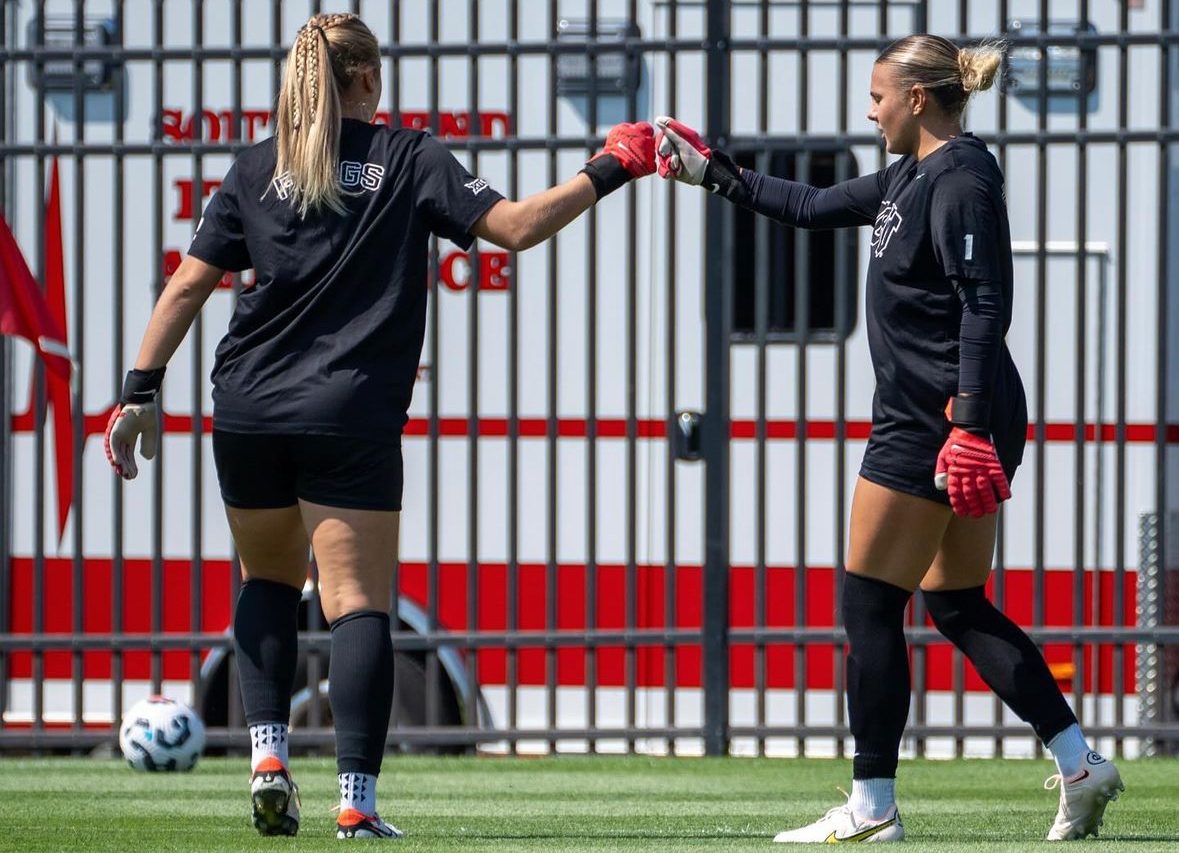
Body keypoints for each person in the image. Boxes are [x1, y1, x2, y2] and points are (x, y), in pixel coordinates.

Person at [103, 12, 655, 840]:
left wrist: (138, 392)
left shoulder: (255, 168)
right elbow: (517, 227)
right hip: (348, 413)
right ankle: (355, 801)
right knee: (357, 603)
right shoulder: (410, 158)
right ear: (366, 80)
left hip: (247, 407)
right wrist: (613, 164)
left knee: (265, 582)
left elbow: (185, 287)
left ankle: (265, 756)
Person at [655, 34, 1122, 844]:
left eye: (876, 95)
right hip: (953, 416)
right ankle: (1080, 762)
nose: (867, 110)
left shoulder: (961, 177)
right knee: (954, 602)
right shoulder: (911, 174)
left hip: (936, 420)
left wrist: (967, 427)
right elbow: (808, 206)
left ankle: (872, 805)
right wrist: (708, 170)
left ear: (915, 98)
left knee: (869, 603)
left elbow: (984, 304)